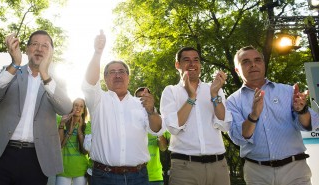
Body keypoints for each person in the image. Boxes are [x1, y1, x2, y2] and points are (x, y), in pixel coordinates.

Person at [0, 30, 72, 185]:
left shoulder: (55, 80)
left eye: (45, 46)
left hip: (37, 158)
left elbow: (65, 108)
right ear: (26, 48)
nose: (39, 49)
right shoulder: (10, 70)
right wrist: (15, 63)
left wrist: (44, 73)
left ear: (51, 52)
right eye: (35, 44)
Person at [227, 46, 319, 185]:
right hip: (257, 173)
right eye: (246, 61)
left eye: (257, 60)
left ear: (263, 64)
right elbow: (239, 137)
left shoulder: (287, 91)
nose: (253, 64)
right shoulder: (232, 101)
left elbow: (311, 125)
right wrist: (254, 115)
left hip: (295, 169)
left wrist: (302, 110)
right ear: (237, 70)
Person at [82, 30, 163, 185]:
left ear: (128, 77)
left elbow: (157, 129)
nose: (117, 75)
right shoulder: (97, 100)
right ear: (105, 78)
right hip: (103, 177)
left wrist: (151, 111)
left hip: (138, 177)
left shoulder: (142, 104)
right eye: (112, 72)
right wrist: (98, 52)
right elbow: (89, 83)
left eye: (121, 72)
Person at [160, 47, 232, 185]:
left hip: (218, 166)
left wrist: (215, 95)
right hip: (184, 168)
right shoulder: (171, 91)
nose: (192, 64)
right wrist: (191, 97)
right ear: (177, 65)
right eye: (186, 60)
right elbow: (174, 128)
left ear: (200, 65)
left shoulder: (214, 88)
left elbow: (224, 125)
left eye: (196, 60)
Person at [135, 87, 169, 185]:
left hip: (155, 177)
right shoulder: (130, 122)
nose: (143, 100)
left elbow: (163, 148)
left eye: (145, 97)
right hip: (135, 176)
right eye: (139, 98)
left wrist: (158, 129)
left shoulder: (159, 120)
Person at [56, 98, 90, 185]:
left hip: (80, 170)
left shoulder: (86, 127)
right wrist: (67, 130)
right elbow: (59, 145)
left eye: (81, 106)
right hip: (63, 169)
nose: (78, 108)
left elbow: (85, 151)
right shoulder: (61, 121)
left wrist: (79, 132)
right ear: (71, 107)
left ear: (83, 111)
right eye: (76, 105)